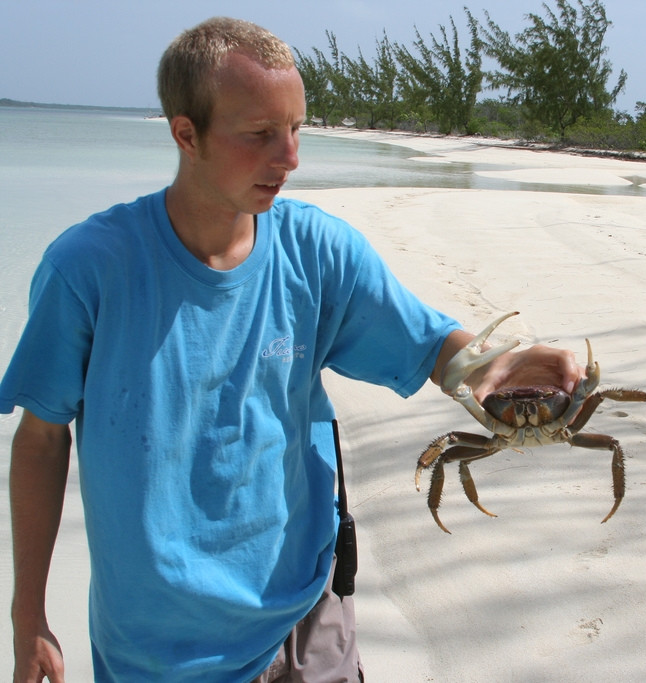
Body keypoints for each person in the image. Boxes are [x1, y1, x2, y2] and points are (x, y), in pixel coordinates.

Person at [1, 17, 582, 683]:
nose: (290, 157)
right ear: (186, 134)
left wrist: (494, 363)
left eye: (296, 129)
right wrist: (28, 614)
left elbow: (434, 348)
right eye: (259, 134)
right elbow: (41, 440)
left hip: (307, 614)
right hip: (160, 647)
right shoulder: (89, 269)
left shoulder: (318, 252)